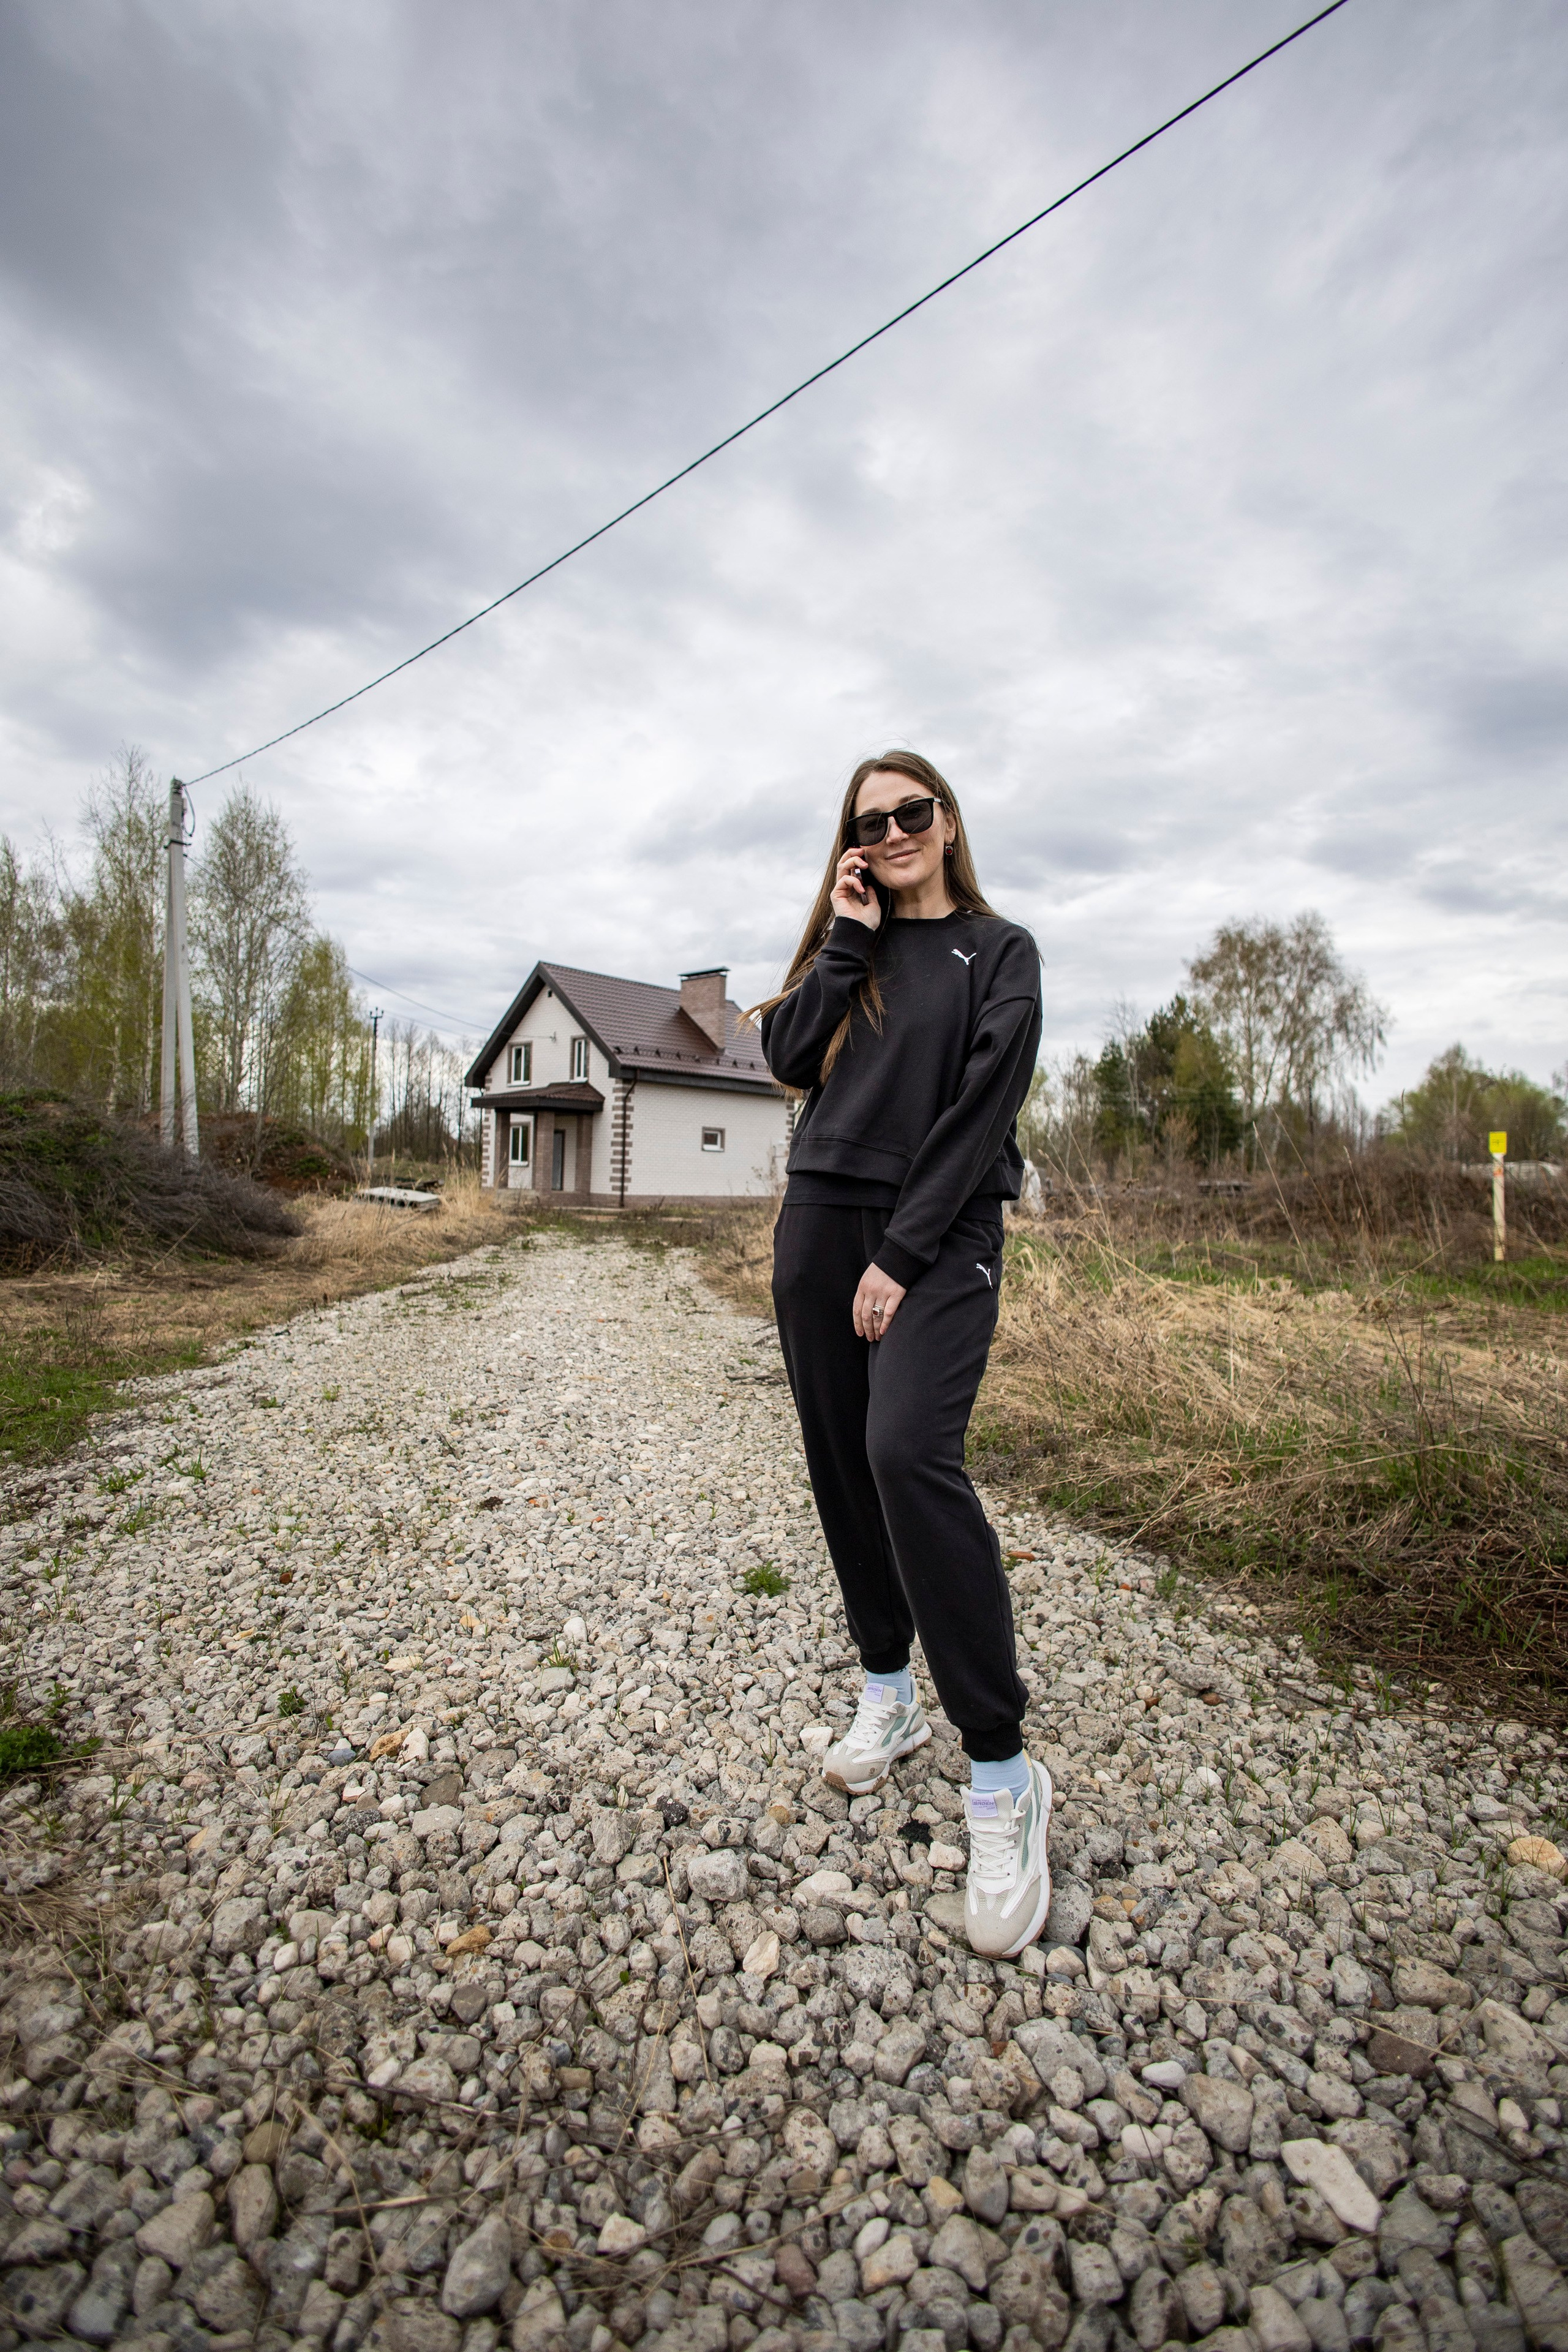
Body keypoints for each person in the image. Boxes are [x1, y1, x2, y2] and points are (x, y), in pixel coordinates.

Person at [756, 750, 1049, 1959]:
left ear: (947, 818)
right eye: (868, 823)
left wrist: (906, 1254)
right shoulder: (853, 942)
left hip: (935, 1232)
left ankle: (1001, 1770)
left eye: (909, 812)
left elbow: (984, 1107)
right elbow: (783, 1061)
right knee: (841, 1463)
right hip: (817, 1223)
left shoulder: (1001, 951)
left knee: (905, 1451)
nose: (891, 832)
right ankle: (887, 1691)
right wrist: (842, 936)